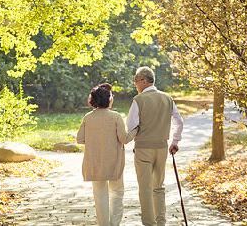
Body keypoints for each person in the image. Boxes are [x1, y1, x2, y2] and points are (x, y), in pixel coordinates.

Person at [126, 66, 184, 226]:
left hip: (143, 149)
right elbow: (179, 122)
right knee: (158, 187)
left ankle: (149, 224)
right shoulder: (167, 98)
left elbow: (131, 126)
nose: (135, 85)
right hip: (162, 148)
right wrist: (175, 142)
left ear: (144, 80)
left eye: (136, 81)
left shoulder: (138, 100)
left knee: (145, 189)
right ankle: (161, 223)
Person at [77, 83, 133, 226]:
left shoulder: (88, 117)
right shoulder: (116, 117)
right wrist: (136, 130)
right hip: (114, 162)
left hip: (95, 162)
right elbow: (124, 139)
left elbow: (80, 139)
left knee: (100, 195)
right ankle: (114, 223)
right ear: (108, 99)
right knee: (117, 192)